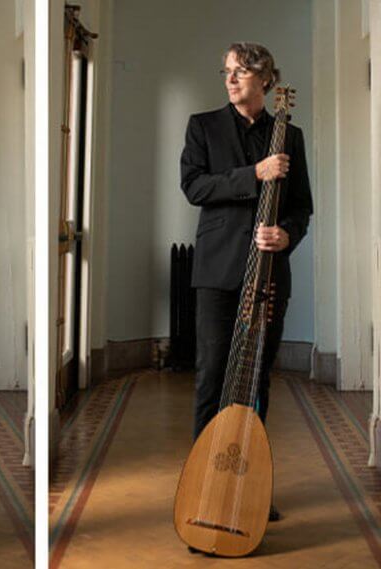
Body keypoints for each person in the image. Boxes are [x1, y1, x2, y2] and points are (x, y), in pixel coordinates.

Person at [180, 42, 313, 523]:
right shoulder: (204, 126)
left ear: (265, 79)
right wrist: (253, 174)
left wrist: (287, 234)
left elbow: (302, 206)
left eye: (240, 71)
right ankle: (202, 484)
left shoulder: (289, 135)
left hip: (270, 274)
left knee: (257, 380)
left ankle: (249, 483)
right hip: (217, 271)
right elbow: (195, 187)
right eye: (227, 71)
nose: (231, 79)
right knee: (213, 375)